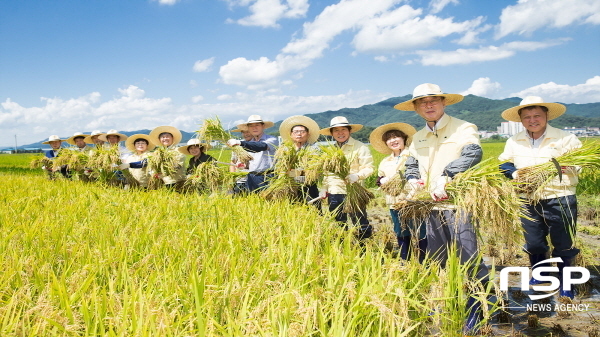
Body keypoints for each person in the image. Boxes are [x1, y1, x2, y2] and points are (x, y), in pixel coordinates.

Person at [394, 83, 487, 334]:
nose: (429, 105)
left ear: (444, 103)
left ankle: (477, 308)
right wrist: (413, 178)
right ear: (415, 108)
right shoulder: (418, 137)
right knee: (439, 259)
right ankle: (447, 302)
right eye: (422, 102)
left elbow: (472, 153)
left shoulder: (463, 128)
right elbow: (411, 162)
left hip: (459, 204)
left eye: (433, 100)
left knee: (468, 257)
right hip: (430, 208)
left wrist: (447, 175)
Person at [498, 96, 582, 299]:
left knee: (563, 243)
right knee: (534, 242)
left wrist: (566, 167)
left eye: (537, 115)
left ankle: (565, 282)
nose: (532, 120)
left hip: (560, 197)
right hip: (527, 199)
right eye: (527, 117)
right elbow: (504, 163)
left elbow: (580, 163)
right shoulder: (514, 140)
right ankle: (540, 272)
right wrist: (514, 173)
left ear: (546, 116)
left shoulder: (565, 138)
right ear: (520, 119)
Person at [370, 123, 426, 262]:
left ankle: (424, 261)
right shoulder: (385, 161)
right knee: (400, 230)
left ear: (404, 138)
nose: (393, 141)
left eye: (396, 137)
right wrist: (382, 181)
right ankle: (404, 260)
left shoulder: (413, 155)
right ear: (386, 143)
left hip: (413, 200)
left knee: (419, 231)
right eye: (389, 139)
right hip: (394, 202)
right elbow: (380, 178)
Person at [318, 116, 374, 241]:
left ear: (349, 131)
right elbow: (327, 173)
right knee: (339, 224)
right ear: (332, 133)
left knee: (360, 223)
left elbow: (369, 168)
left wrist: (357, 176)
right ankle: (343, 250)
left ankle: (365, 250)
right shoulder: (330, 150)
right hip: (334, 191)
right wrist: (324, 188)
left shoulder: (360, 147)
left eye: (343, 129)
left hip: (353, 191)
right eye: (336, 130)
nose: (340, 133)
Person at [226, 115, 278, 192]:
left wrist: (239, 142)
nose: (254, 128)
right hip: (251, 177)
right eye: (251, 126)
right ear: (248, 128)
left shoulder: (272, 139)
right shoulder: (249, 143)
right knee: (252, 201)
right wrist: (243, 165)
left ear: (263, 126)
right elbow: (251, 160)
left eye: (257, 125)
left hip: (267, 177)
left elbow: (261, 146)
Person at [278, 115, 321, 205]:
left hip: (309, 186)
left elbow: (314, 171)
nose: (299, 134)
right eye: (296, 131)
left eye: (302, 131)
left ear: (308, 134)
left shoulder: (314, 148)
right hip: (290, 186)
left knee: (314, 212)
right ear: (291, 134)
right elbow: (280, 169)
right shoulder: (285, 149)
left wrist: (292, 173)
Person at [229, 127, 252, 195]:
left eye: (247, 131)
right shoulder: (237, 146)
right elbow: (233, 162)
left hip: (252, 180)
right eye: (243, 132)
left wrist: (246, 165)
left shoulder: (258, 145)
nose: (246, 134)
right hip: (239, 180)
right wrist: (232, 176)